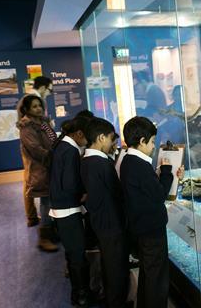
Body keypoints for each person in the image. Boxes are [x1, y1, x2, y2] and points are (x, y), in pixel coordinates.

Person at [120, 117, 184, 308]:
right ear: (142, 141)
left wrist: (166, 175)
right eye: (152, 142)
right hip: (151, 230)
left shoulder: (128, 160)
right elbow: (158, 195)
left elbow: (146, 190)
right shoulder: (139, 165)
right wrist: (166, 171)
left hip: (140, 227)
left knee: (148, 273)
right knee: (157, 277)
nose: (154, 147)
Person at [80, 117, 130, 308]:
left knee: (110, 264)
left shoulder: (87, 160)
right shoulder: (100, 164)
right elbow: (116, 193)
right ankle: (116, 302)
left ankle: (112, 299)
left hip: (100, 221)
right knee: (116, 266)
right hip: (111, 224)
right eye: (110, 139)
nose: (111, 143)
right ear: (101, 138)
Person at [49, 117, 90, 307]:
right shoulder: (71, 150)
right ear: (79, 134)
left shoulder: (60, 145)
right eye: (86, 138)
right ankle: (81, 294)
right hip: (67, 209)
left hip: (59, 207)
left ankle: (79, 292)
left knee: (73, 253)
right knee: (77, 255)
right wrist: (84, 192)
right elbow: (70, 183)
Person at [17, 95, 58, 251]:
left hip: (50, 167)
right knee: (46, 203)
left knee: (51, 201)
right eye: (34, 106)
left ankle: (51, 232)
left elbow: (52, 140)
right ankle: (44, 237)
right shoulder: (27, 127)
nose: (38, 108)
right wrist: (54, 156)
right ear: (26, 109)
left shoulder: (43, 123)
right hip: (40, 170)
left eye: (39, 105)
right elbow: (35, 150)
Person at [17, 76, 53, 227]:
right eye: (50, 89)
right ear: (44, 87)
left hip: (45, 155)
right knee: (32, 181)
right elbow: (35, 147)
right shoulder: (28, 120)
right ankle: (32, 217)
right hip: (37, 154)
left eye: (39, 106)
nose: (50, 92)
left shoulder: (42, 119)